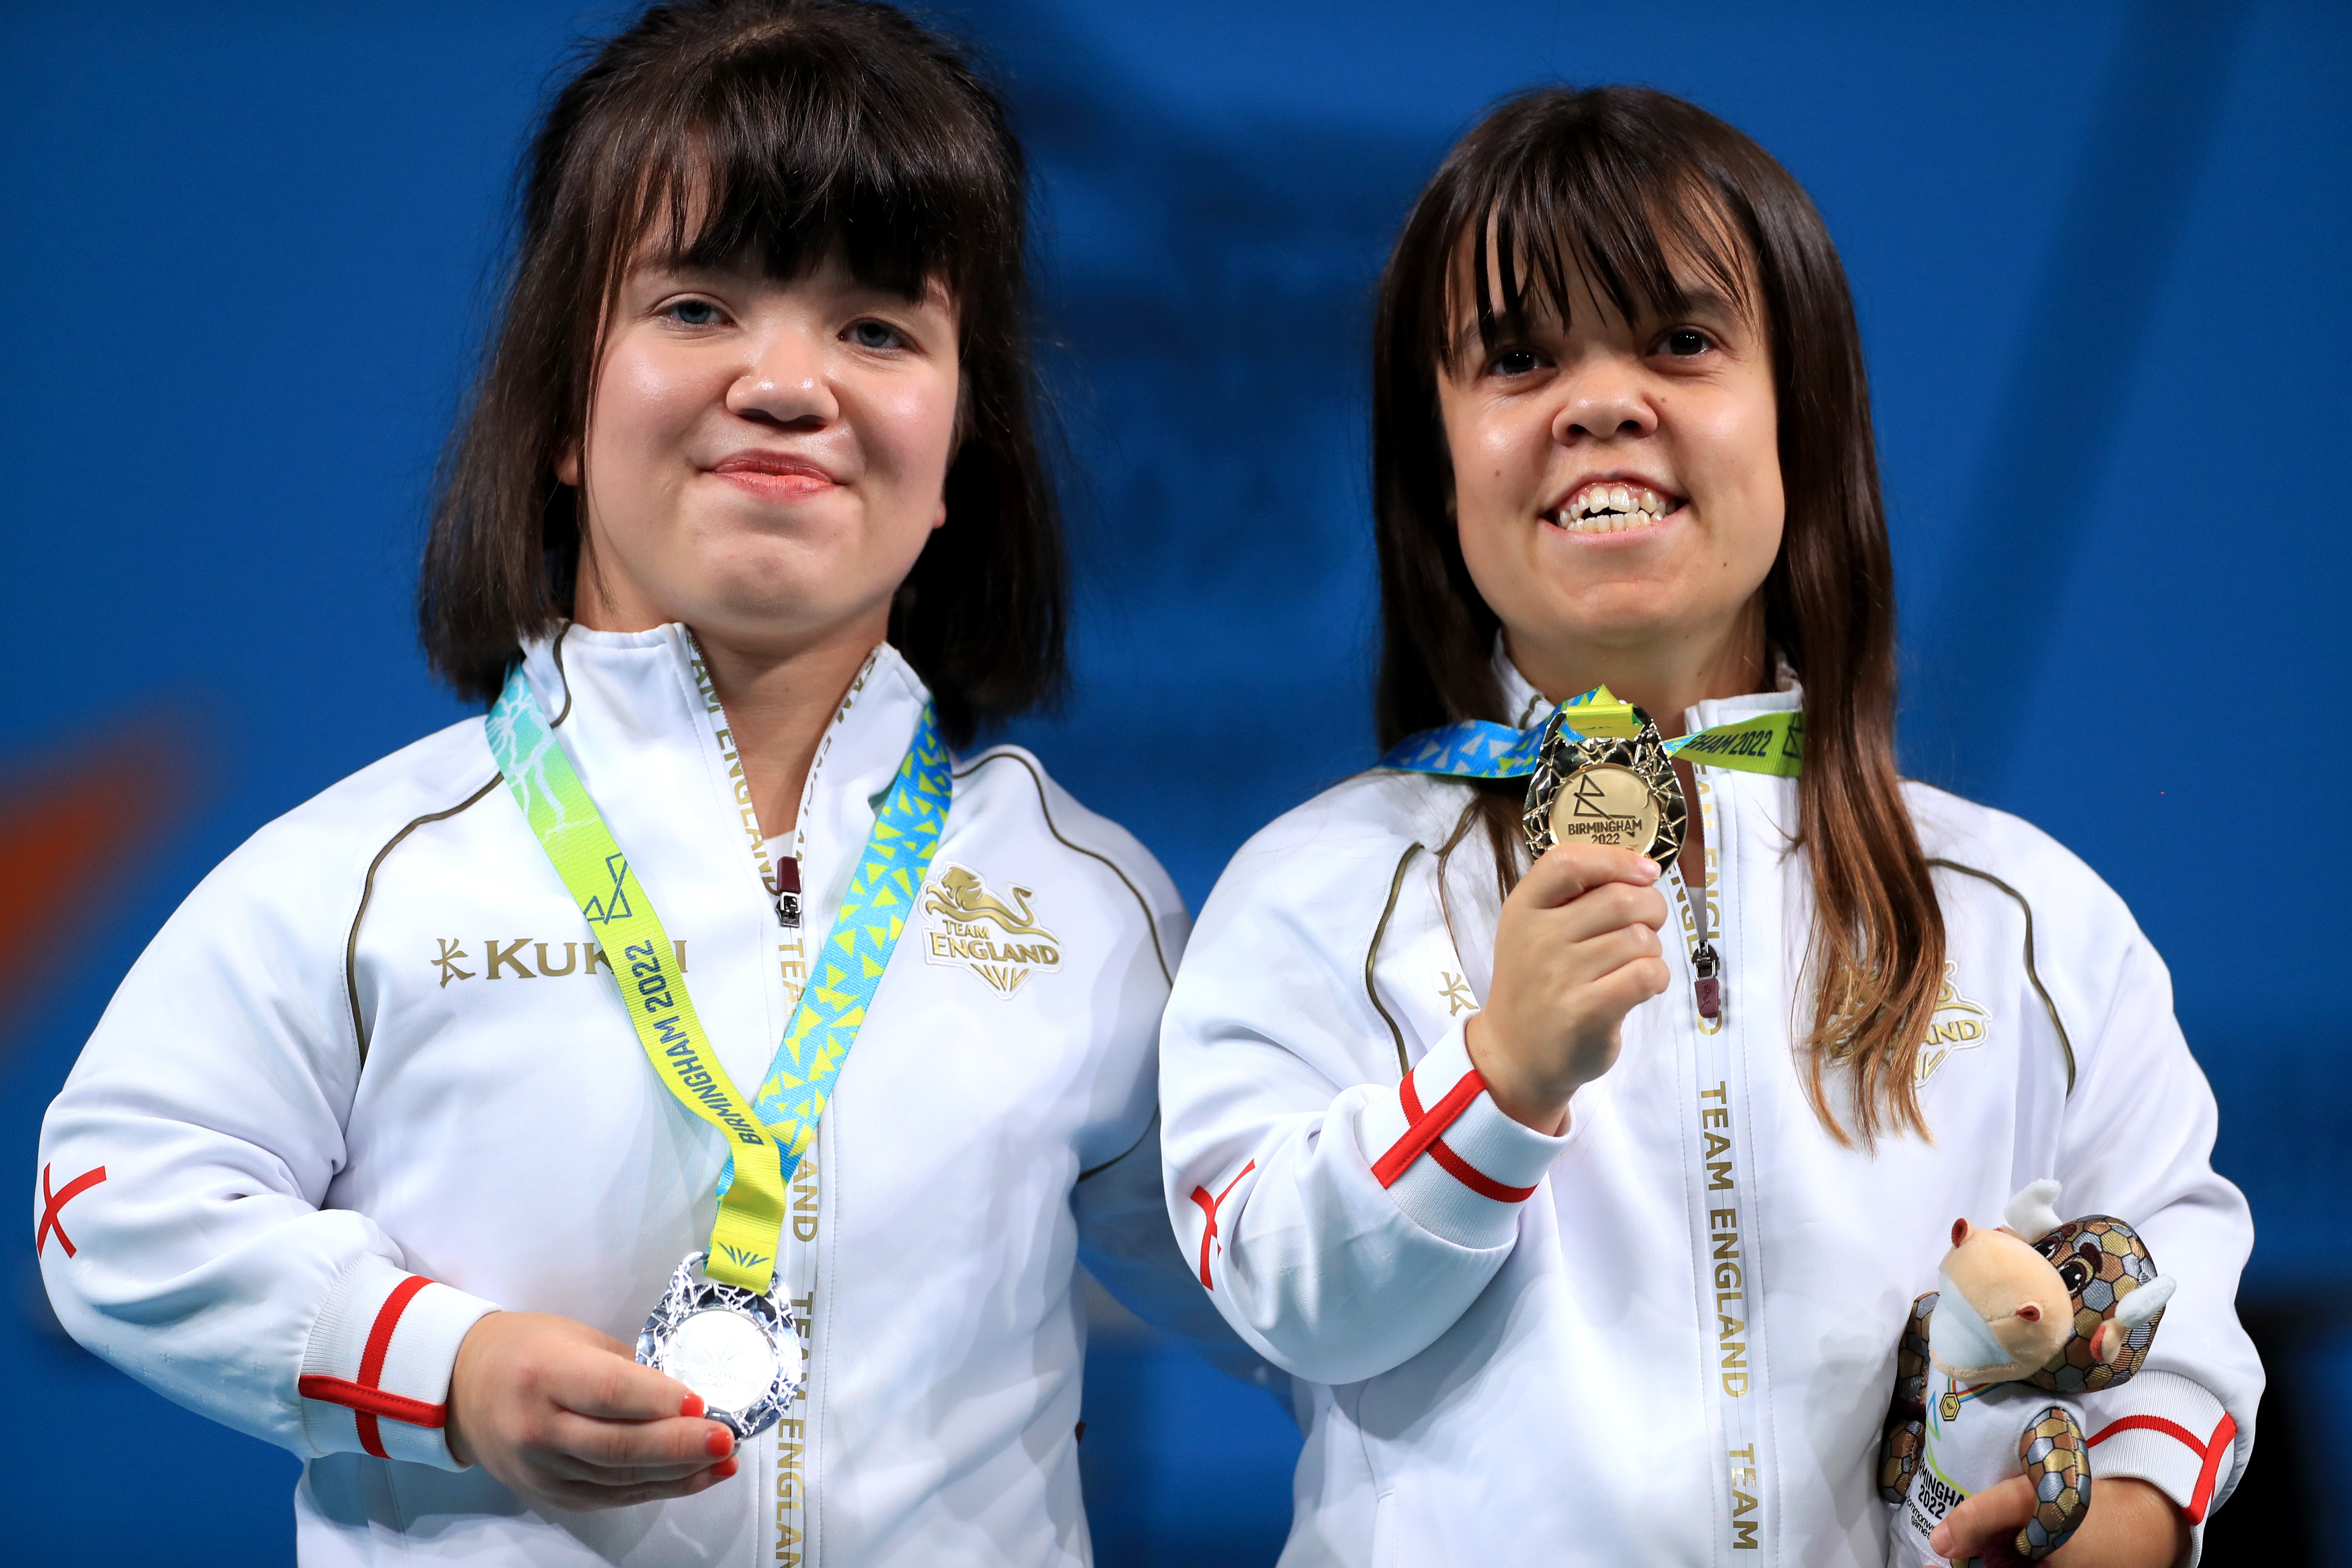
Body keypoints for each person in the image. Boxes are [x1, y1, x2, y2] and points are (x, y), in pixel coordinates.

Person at [35, 3, 1252, 1562]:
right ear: (556, 408)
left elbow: (1282, 1289)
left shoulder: (1089, 903)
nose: (788, 382)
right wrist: (446, 1369)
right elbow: (109, 1204)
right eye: (697, 306)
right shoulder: (369, 872)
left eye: (880, 328)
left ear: (963, 461)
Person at [1159, 86, 2258, 1566]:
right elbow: (1269, 1284)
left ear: (1801, 418)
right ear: (1437, 464)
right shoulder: (1324, 892)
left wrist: (2120, 1515)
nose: (1603, 403)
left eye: (1681, 342)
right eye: (1521, 356)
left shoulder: (2022, 916)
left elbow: (2171, 1273)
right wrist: (1499, 1080)